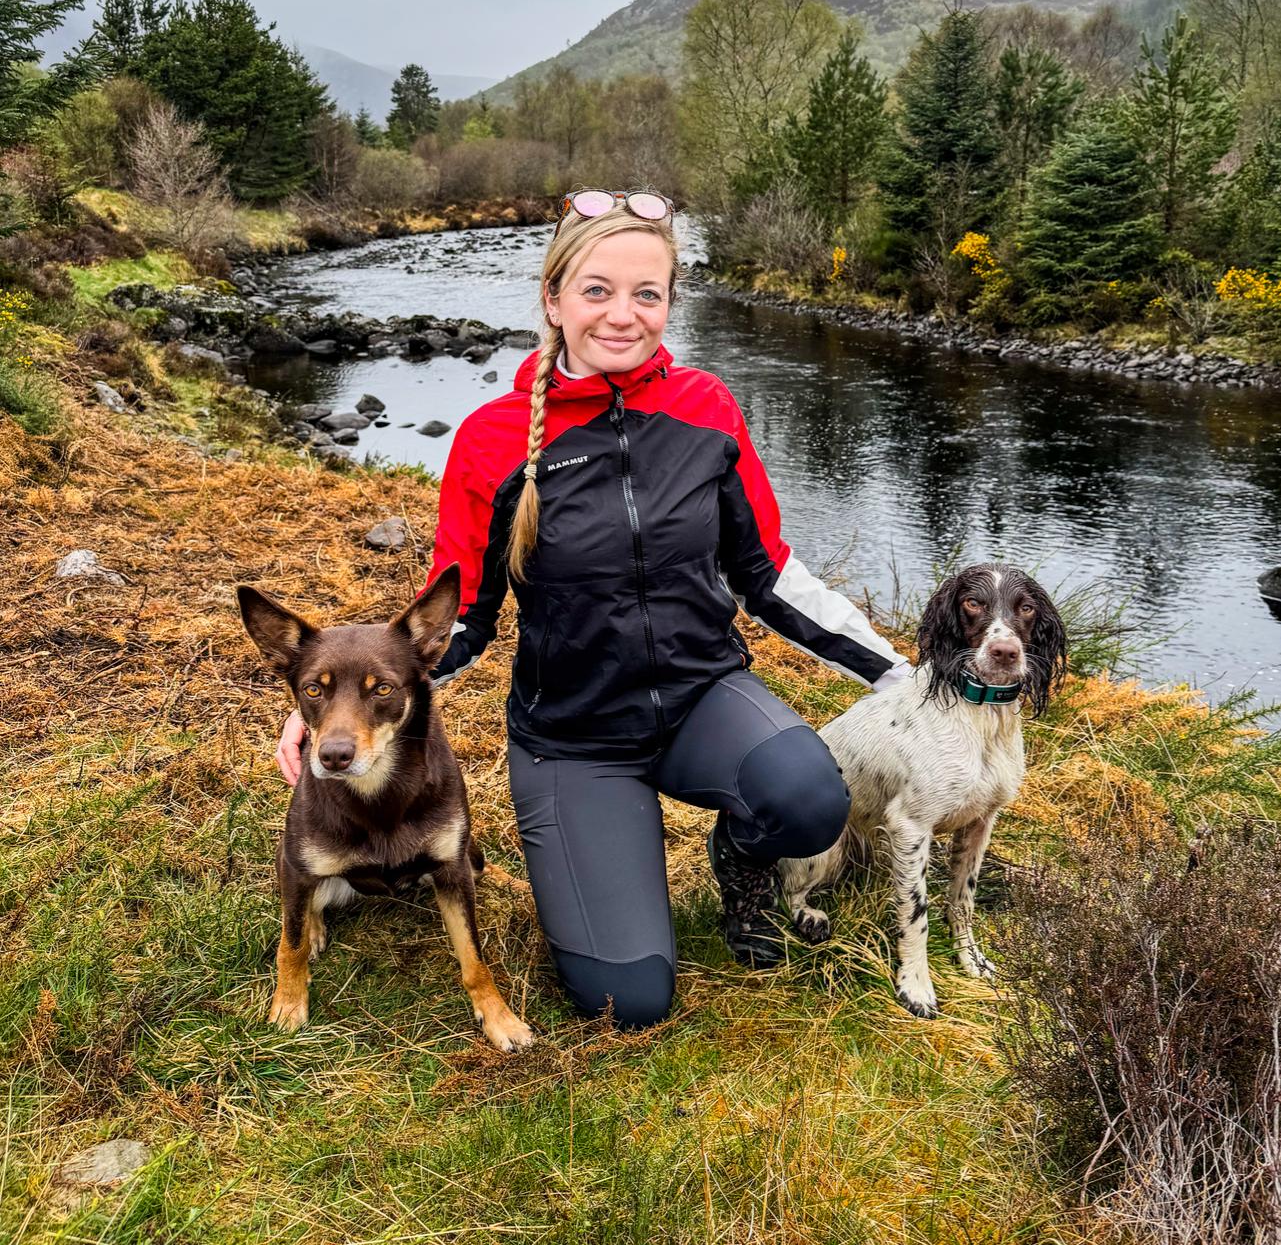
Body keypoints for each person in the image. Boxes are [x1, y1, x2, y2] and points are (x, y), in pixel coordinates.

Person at [275, 191, 911, 1029]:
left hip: (701, 699)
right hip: (573, 739)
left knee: (807, 799)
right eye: (597, 290)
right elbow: (459, 620)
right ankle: (609, 858)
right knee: (628, 999)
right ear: (553, 299)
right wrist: (341, 709)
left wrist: (901, 669)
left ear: (670, 302)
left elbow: (769, 574)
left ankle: (741, 858)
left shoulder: (706, 409)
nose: (623, 315)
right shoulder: (492, 441)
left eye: (647, 293)